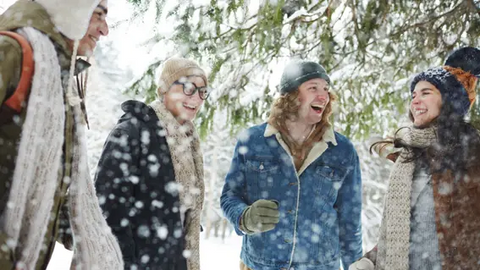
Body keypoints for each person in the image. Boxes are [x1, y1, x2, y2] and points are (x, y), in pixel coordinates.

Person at [0, 0, 123, 269]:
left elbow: (47, 180)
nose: (105, 30)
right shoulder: (11, 53)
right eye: (98, 14)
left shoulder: (58, 79)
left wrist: (77, 228)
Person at [221, 60, 363, 270]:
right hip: (260, 265)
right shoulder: (253, 141)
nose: (322, 96)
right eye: (312, 88)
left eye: (325, 89)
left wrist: (355, 265)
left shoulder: (341, 150)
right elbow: (229, 196)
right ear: (291, 95)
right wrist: (244, 217)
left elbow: (350, 220)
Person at [349, 47, 480, 270]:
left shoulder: (471, 154)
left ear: (448, 101)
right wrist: (370, 261)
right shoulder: (409, 159)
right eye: (413, 95)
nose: (415, 101)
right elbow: (403, 233)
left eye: (426, 93)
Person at [95, 57, 208, 270]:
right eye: (189, 88)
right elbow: (108, 211)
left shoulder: (188, 140)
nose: (197, 98)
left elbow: (179, 214)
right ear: (164, 89)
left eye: (203, 92)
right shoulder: (132, 133)